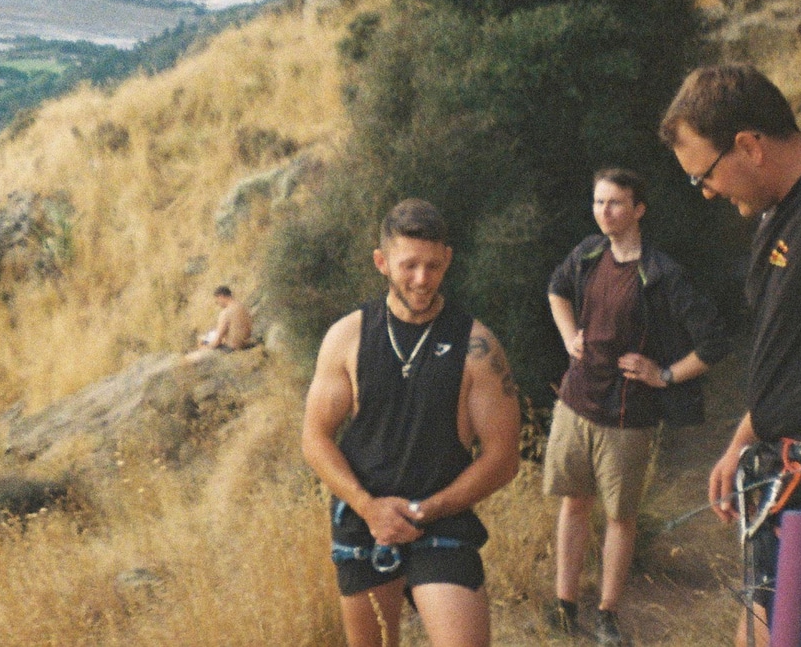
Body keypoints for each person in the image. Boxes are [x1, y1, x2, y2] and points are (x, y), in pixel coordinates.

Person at [659, 64, 801, 647]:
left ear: (749, 146)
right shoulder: (781, 212)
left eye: (705, 175)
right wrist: (744, 436)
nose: (706, 191)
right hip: (784, 473)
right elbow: (798, 353)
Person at [302, 199, 522, 647]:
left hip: (442, 521)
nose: (422, 279)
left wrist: (429, 509)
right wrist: (368, 507)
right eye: (409, 266)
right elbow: (315, 438)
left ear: (448, 260)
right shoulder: (347, 336)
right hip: (364, 520)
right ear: (382, 262)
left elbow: (503, 458)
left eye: (433, 266)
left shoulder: (476, 345)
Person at [543, 167, 726, 644]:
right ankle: (564, 607)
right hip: (575, 403)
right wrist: (569, 337)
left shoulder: (663, 274)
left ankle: (607, 614)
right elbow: (556, 290)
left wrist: (664, 374)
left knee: (619, 518)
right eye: (598, 202)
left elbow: (713, 340)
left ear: (639, 210)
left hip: (627, 418)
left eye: (615, 203)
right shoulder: (587, 253)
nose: (604, 211)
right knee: (574, 504)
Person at [198, 284, 254, 351]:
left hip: (232, 348)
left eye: (217, 301)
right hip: (245, 345)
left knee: (202, 341)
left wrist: (206, 346)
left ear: (221, 296)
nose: (217, 303)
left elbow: (217, 341)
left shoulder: (226, 313)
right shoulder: (242, 307)